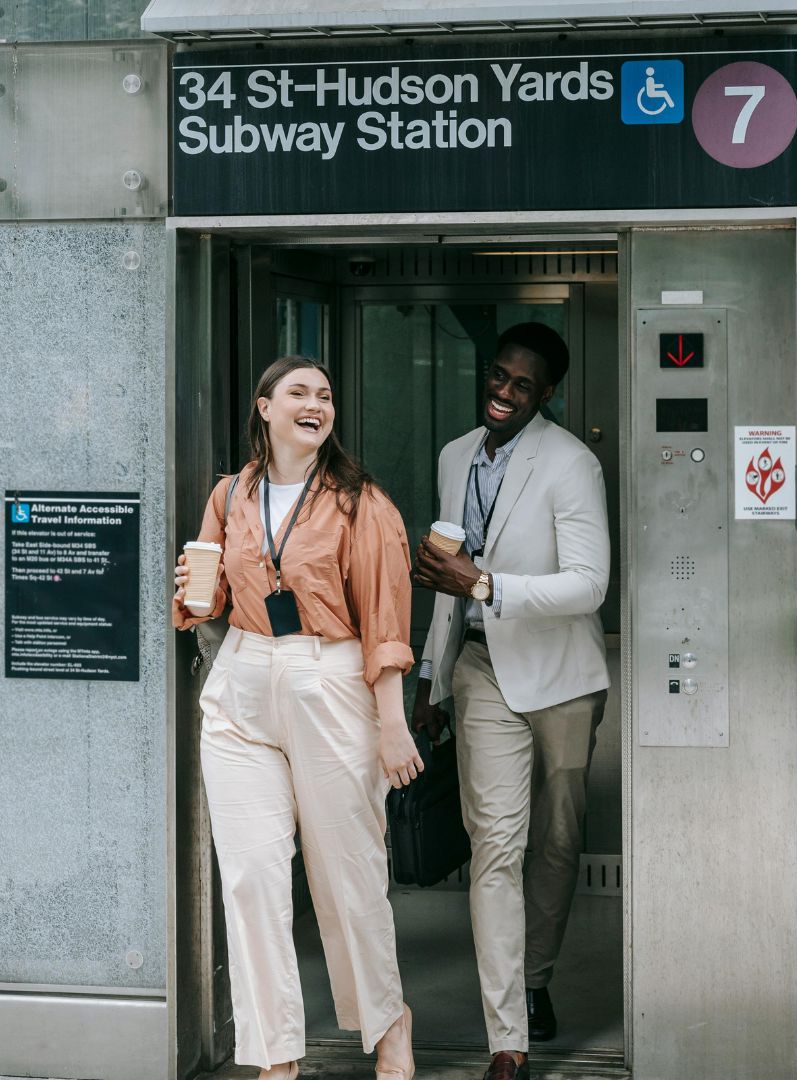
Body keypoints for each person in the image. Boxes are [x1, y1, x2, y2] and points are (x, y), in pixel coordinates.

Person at [172, 355, 422, 1080]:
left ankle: (389, 1024)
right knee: (250, 878)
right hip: (244, 676)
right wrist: (195, 594)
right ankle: (274, 1055)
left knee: (348, 875)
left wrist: (392, 720)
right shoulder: (233, 493)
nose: (316, 405)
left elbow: (383, 615)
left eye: (325, 396)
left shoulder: (362, 502)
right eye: (299, 394)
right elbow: (209, 597)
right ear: (265, 408)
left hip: (331, 677)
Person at [412, 324, 610, 1080]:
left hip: (561, 677)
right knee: (496, 848)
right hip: (481, 670)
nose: (502, 392)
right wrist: (431, 679)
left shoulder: (571, 464)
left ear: (546, 393)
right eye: (498, 376)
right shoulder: (455, 455)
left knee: (557, 842)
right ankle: (509, 1038)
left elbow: (591, 584)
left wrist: (487, 585)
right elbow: (444, 573)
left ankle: (536, 975)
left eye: (521, 385)